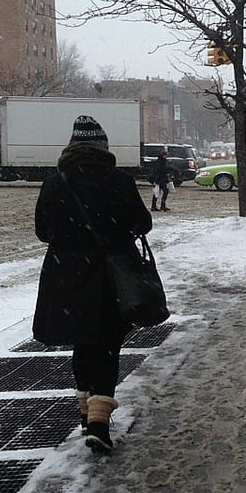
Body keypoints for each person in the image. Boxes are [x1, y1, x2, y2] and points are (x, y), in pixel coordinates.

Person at [33, 115, 152, 455]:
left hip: (66, 276)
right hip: (109, 276)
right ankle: (98, 423)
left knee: (83, 341)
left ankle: (86, 414)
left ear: (71, 147)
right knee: (106, 343)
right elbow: (143, 223)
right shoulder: (119, 181)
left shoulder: (55, 184)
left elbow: (43, 231)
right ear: (103, 147)